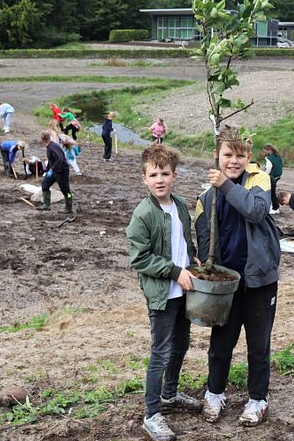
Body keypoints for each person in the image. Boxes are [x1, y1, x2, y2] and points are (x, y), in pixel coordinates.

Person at [194, 126, 280, 427]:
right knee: (221, 344)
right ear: (217, 155)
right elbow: (205, 242)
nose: (233, 161)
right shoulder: (206, 197)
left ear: (249, 157)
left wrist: (226, 187)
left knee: (259, 344)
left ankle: (258, 399)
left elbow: (257, 212)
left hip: (260, 280)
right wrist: (206, 269)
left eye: (239, 155)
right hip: (226, 286)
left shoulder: (259, 180)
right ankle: (214, 393)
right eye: (227, 155)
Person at [126, 144, 202, 441]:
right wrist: (174, 271)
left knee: (182, 344)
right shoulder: (143, 214)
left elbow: (184, 239)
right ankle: (151, 414)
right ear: (144, 179)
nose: (160, 179)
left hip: (185, 290)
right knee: (161, 352)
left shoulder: (181, 205)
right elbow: (140, 258)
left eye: (165, 174)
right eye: (153, 174)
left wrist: (192, 257)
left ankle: (170, 395)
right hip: (163, 294)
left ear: (175, 176)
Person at [36, 131, 73, 213]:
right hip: (54, 171)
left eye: (41, 140)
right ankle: (46, 205)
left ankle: (69, 207)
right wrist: (47, 170)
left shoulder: (53, 147)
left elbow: (60, 159)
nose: (41, 142)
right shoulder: (49, 147)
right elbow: (51, 160)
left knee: (65, 190)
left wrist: (52, 170)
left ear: (44, 140)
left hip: (62, 171)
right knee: (45, 185)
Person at [263, 144, 283, 215]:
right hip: (278, 175)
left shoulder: (269, 158)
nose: (264, 153)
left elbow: (268, 169)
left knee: (272, 192)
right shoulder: (278, 155)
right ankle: (274, 206)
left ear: (268, 150)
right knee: (272, 191)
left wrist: (263, 175)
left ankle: (275, 208)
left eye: (265, 151)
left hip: (272, 177)